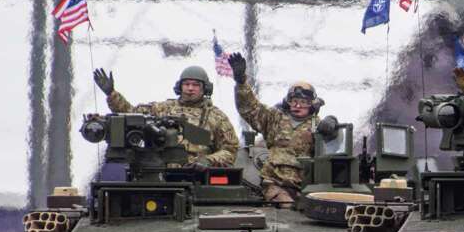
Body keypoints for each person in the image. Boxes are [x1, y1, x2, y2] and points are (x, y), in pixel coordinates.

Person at [91, 65, 239, 167]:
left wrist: (208, 161)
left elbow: (230, 149)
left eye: (195, 85)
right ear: (179, 87)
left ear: (204, 88)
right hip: (159, 172)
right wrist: (112, 94)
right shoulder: (162, 109)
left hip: (197, 175)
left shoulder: (216, 117)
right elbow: (131, 113)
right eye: (186, 84)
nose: (190, 88)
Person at [227, 51, 323, 206]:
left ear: (312, 104)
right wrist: (241, 81)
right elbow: (250, 108)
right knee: (287, 210)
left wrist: (332, 127)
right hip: (275, 183)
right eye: (294, 101)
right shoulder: (275, 118)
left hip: (305, 186)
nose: (297, 105)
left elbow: (333, 153)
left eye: (303, 102)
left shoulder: (318, 125)